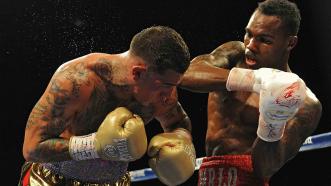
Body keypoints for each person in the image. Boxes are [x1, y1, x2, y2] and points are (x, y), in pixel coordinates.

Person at [19, 26, 196, 186]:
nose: (169, 94)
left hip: (115, 181)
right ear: (138, 73)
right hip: (54, 179)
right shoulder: (77, 81)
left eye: (174, 85)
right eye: (165, 85)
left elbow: (178, 122)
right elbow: (32, 148)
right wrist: (95, 146)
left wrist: (181, 138)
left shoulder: (163, 91)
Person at [180, 0, 322, 185]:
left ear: (290, 43)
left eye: (264, 40)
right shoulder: (235, 55)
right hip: (207, 176)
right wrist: (255, 81)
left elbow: (265, 168)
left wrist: (272, 121)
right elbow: (185, 74)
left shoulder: (304, 104)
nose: (250, 46)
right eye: (249, 34)